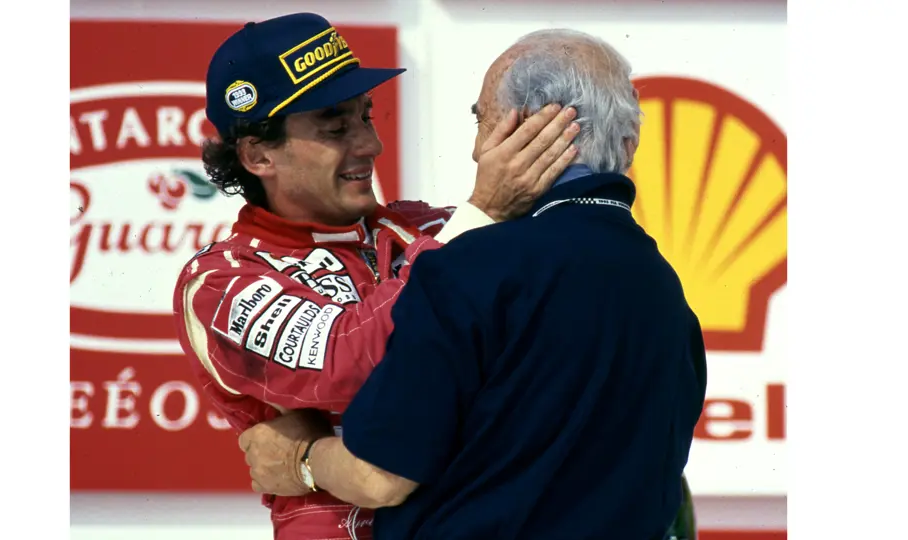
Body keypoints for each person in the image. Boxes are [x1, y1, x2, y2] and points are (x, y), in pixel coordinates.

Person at [238, 28, 708, 540]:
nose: (475, 150)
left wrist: (300, 459)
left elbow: (378, 477)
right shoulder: (666, 289)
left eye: (480, 119)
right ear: (627, 140)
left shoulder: (470, 265)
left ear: (528, 129)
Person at [171, 12, 581, 540]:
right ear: (258, 154)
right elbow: (350, 362)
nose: (370, 145)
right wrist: (483, 216)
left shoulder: (431, 229)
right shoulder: (222, 283)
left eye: (365, 117)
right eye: (336, 127)